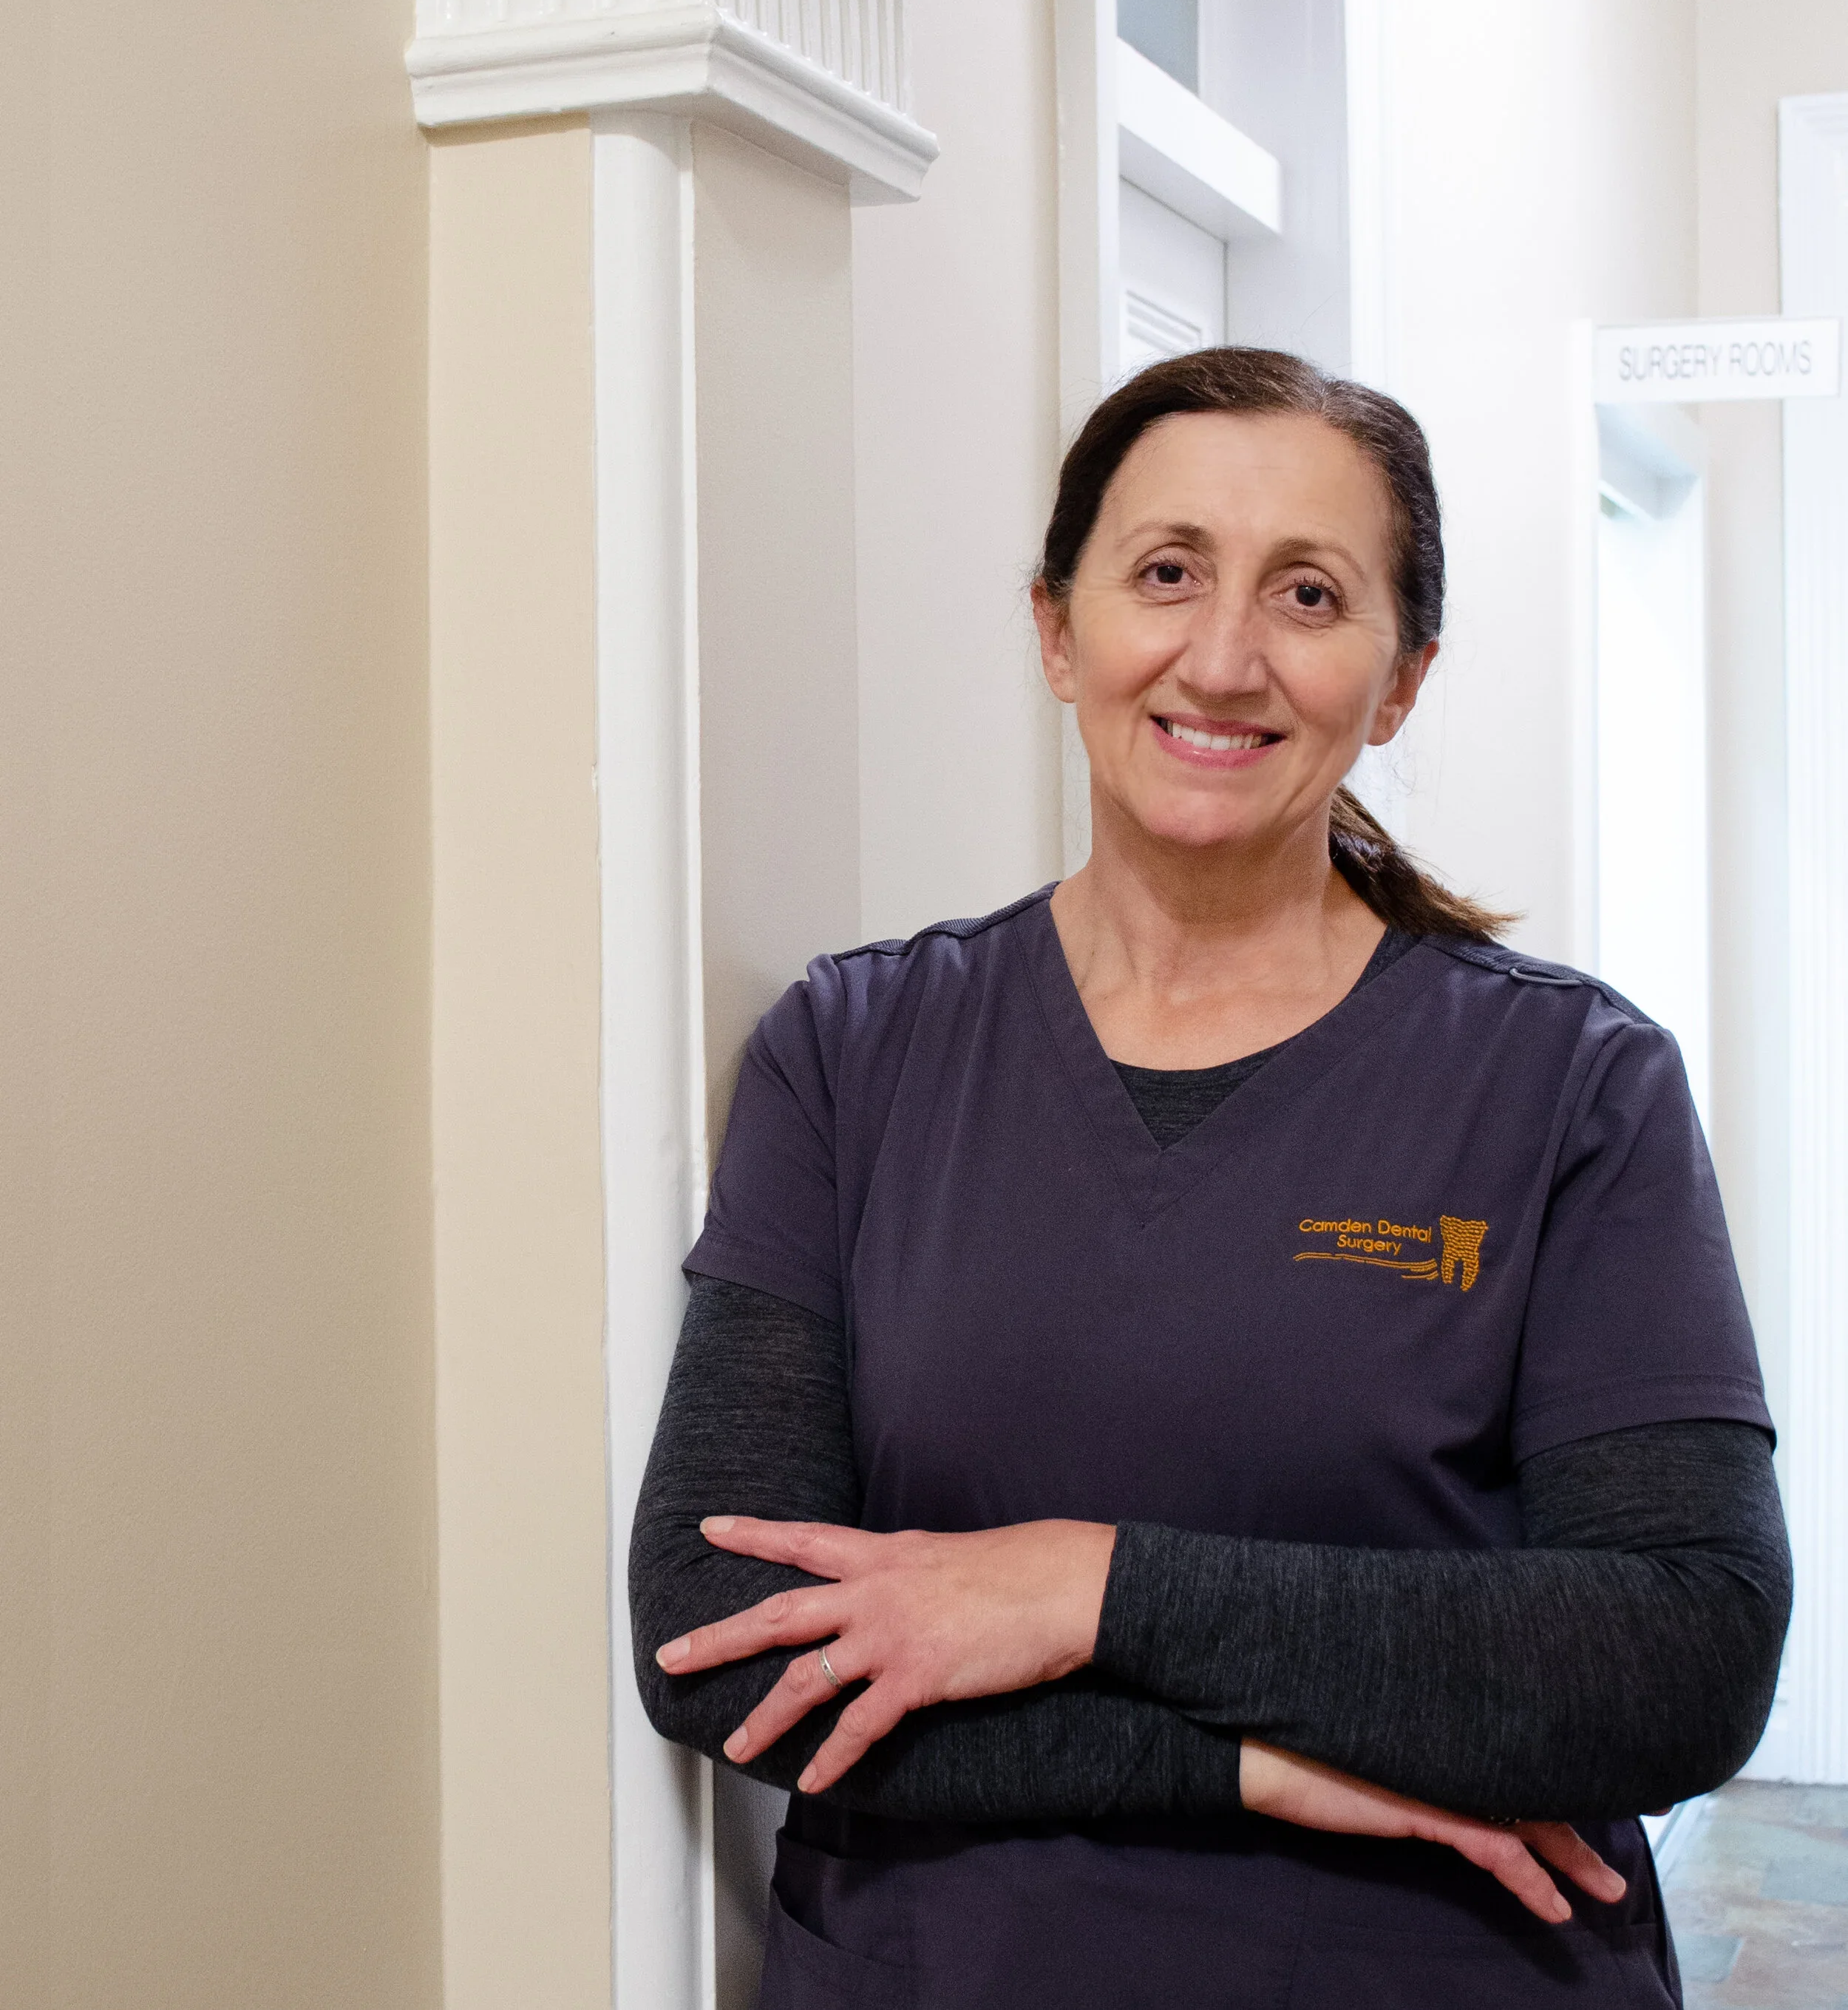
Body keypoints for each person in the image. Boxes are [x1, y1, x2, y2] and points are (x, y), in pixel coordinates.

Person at [631, 348, 1790, 2009]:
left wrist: (1083, 1585)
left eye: (1308, 596)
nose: (1223, 657)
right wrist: (1266, 1766)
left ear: (1398, 681)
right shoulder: (855, 1054)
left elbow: (1681, 1653)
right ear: (1056, 628)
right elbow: (719, 1633)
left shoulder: (1568, 1087)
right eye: (1164, 574)